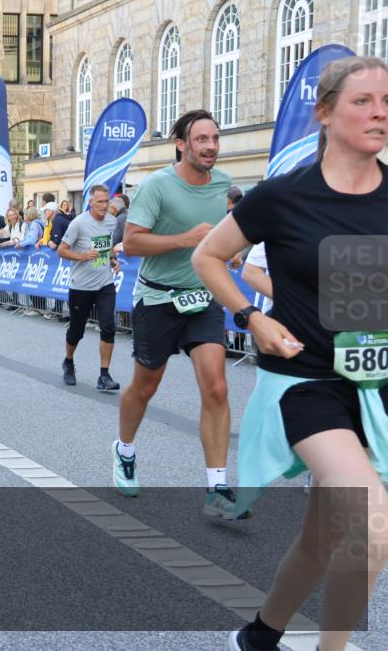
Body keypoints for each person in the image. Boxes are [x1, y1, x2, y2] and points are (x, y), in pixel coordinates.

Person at [192, 56, 388, 651]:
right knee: (372, 529)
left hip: (376, 387)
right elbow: (208, 257)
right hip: (305, 382)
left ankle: (260, 634)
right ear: (324, 112)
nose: (380, 112)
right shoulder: (283, 197)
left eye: (387, 101)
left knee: (323, 538)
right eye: (363, 100)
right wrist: (252, 317)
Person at [115, 109, 243, 518]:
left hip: (202, 299)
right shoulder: (157, 185)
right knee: (146, 386)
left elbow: (224, 233)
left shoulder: (224, 184)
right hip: (157, 299)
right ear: (182, 144)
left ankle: (218, 487)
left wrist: (232, 250)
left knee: (217, 387)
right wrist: (185, 240)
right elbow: (132, 244)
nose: (210, 147)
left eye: (215, 139)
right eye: (202, 139)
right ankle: (125, 449)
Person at [57, 184, 121, 391]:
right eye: (100, 202)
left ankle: (104, 375)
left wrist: (112, 259)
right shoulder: (79, 223)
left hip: (105, 283)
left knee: (109, 327)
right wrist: (82, 256)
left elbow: (107, 245)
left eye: (107, 201)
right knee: (77, 331)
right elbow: (62, 250)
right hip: (81, 286)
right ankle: (68, 361)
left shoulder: (111, 221)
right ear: (90, 202)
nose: (104, 205)